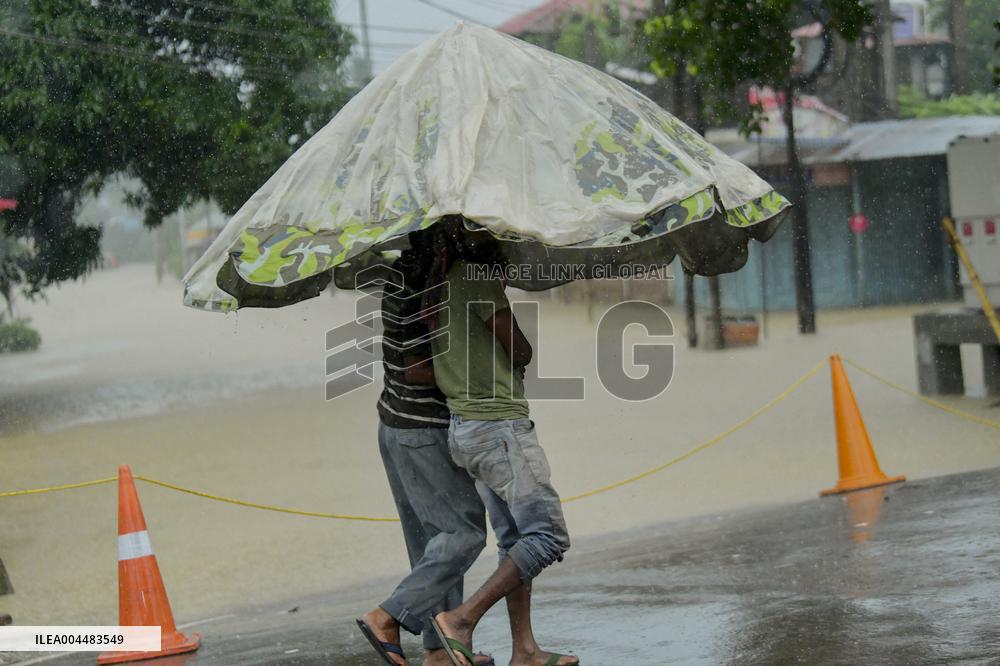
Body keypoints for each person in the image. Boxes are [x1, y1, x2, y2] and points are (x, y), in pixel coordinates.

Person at [425, 218, 577, 666]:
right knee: (547, 536)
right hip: (499, 430)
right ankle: (463, 619)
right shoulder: (476, 280)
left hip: (466, 430)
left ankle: (525, 650)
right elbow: (521, 348)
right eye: (492, 235)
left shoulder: (439, 288)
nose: (501, 243)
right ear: (472, 241)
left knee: (515, 541)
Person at [356, 230, 494, 666]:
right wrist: (479, 379)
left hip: (395, 423)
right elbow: (417, 370)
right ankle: (388, 616)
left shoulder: (405, 272)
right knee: (464, 532)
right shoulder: (423, 283)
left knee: (433, 545)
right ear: (442, 238)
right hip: (420, 429)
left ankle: (440, 652)